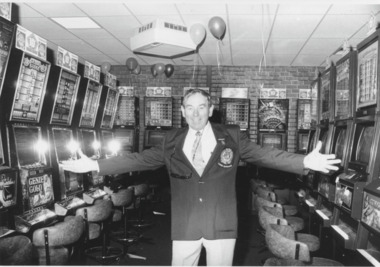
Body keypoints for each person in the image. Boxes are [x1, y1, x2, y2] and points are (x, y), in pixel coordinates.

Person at [62, 88, 341, 266]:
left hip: (222, 224)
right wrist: (95, 166)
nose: (196, 114)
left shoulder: (230, 136)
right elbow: (138, 159)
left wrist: (304, 161)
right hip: (185, 225)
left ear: (210, 110)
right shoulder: (171, 140)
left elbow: (265, 154)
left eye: (201, 107)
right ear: (183, 112)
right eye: (189, 108)